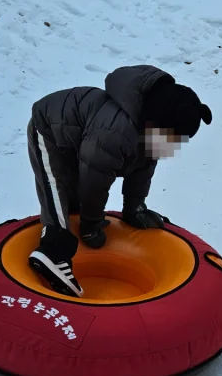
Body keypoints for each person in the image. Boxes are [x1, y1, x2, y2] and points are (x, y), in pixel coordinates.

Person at [25, 65, 212, 297]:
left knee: (74, 205)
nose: (174, 144)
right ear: (155, 125)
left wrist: (134, 207)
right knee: (56, 187)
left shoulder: (149, 128)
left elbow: (143, 168)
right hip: (50, 129)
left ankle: (73, 231)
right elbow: (94, 180)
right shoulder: (116, 132)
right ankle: (53, 252)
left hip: (81, 138)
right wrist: (91, 222)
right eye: (172, 138)